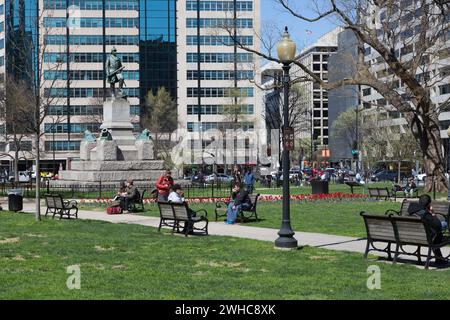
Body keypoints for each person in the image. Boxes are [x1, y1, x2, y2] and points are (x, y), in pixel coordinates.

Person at [408, 194, 448, 264]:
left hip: (412, 235)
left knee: (437, 232)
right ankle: (439, 258)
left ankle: (439, 258)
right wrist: (432, 213)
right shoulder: (426, 214)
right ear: (429, 204)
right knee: (443, 225)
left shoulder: (411, 209)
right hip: (426, 236)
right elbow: (438, 225)